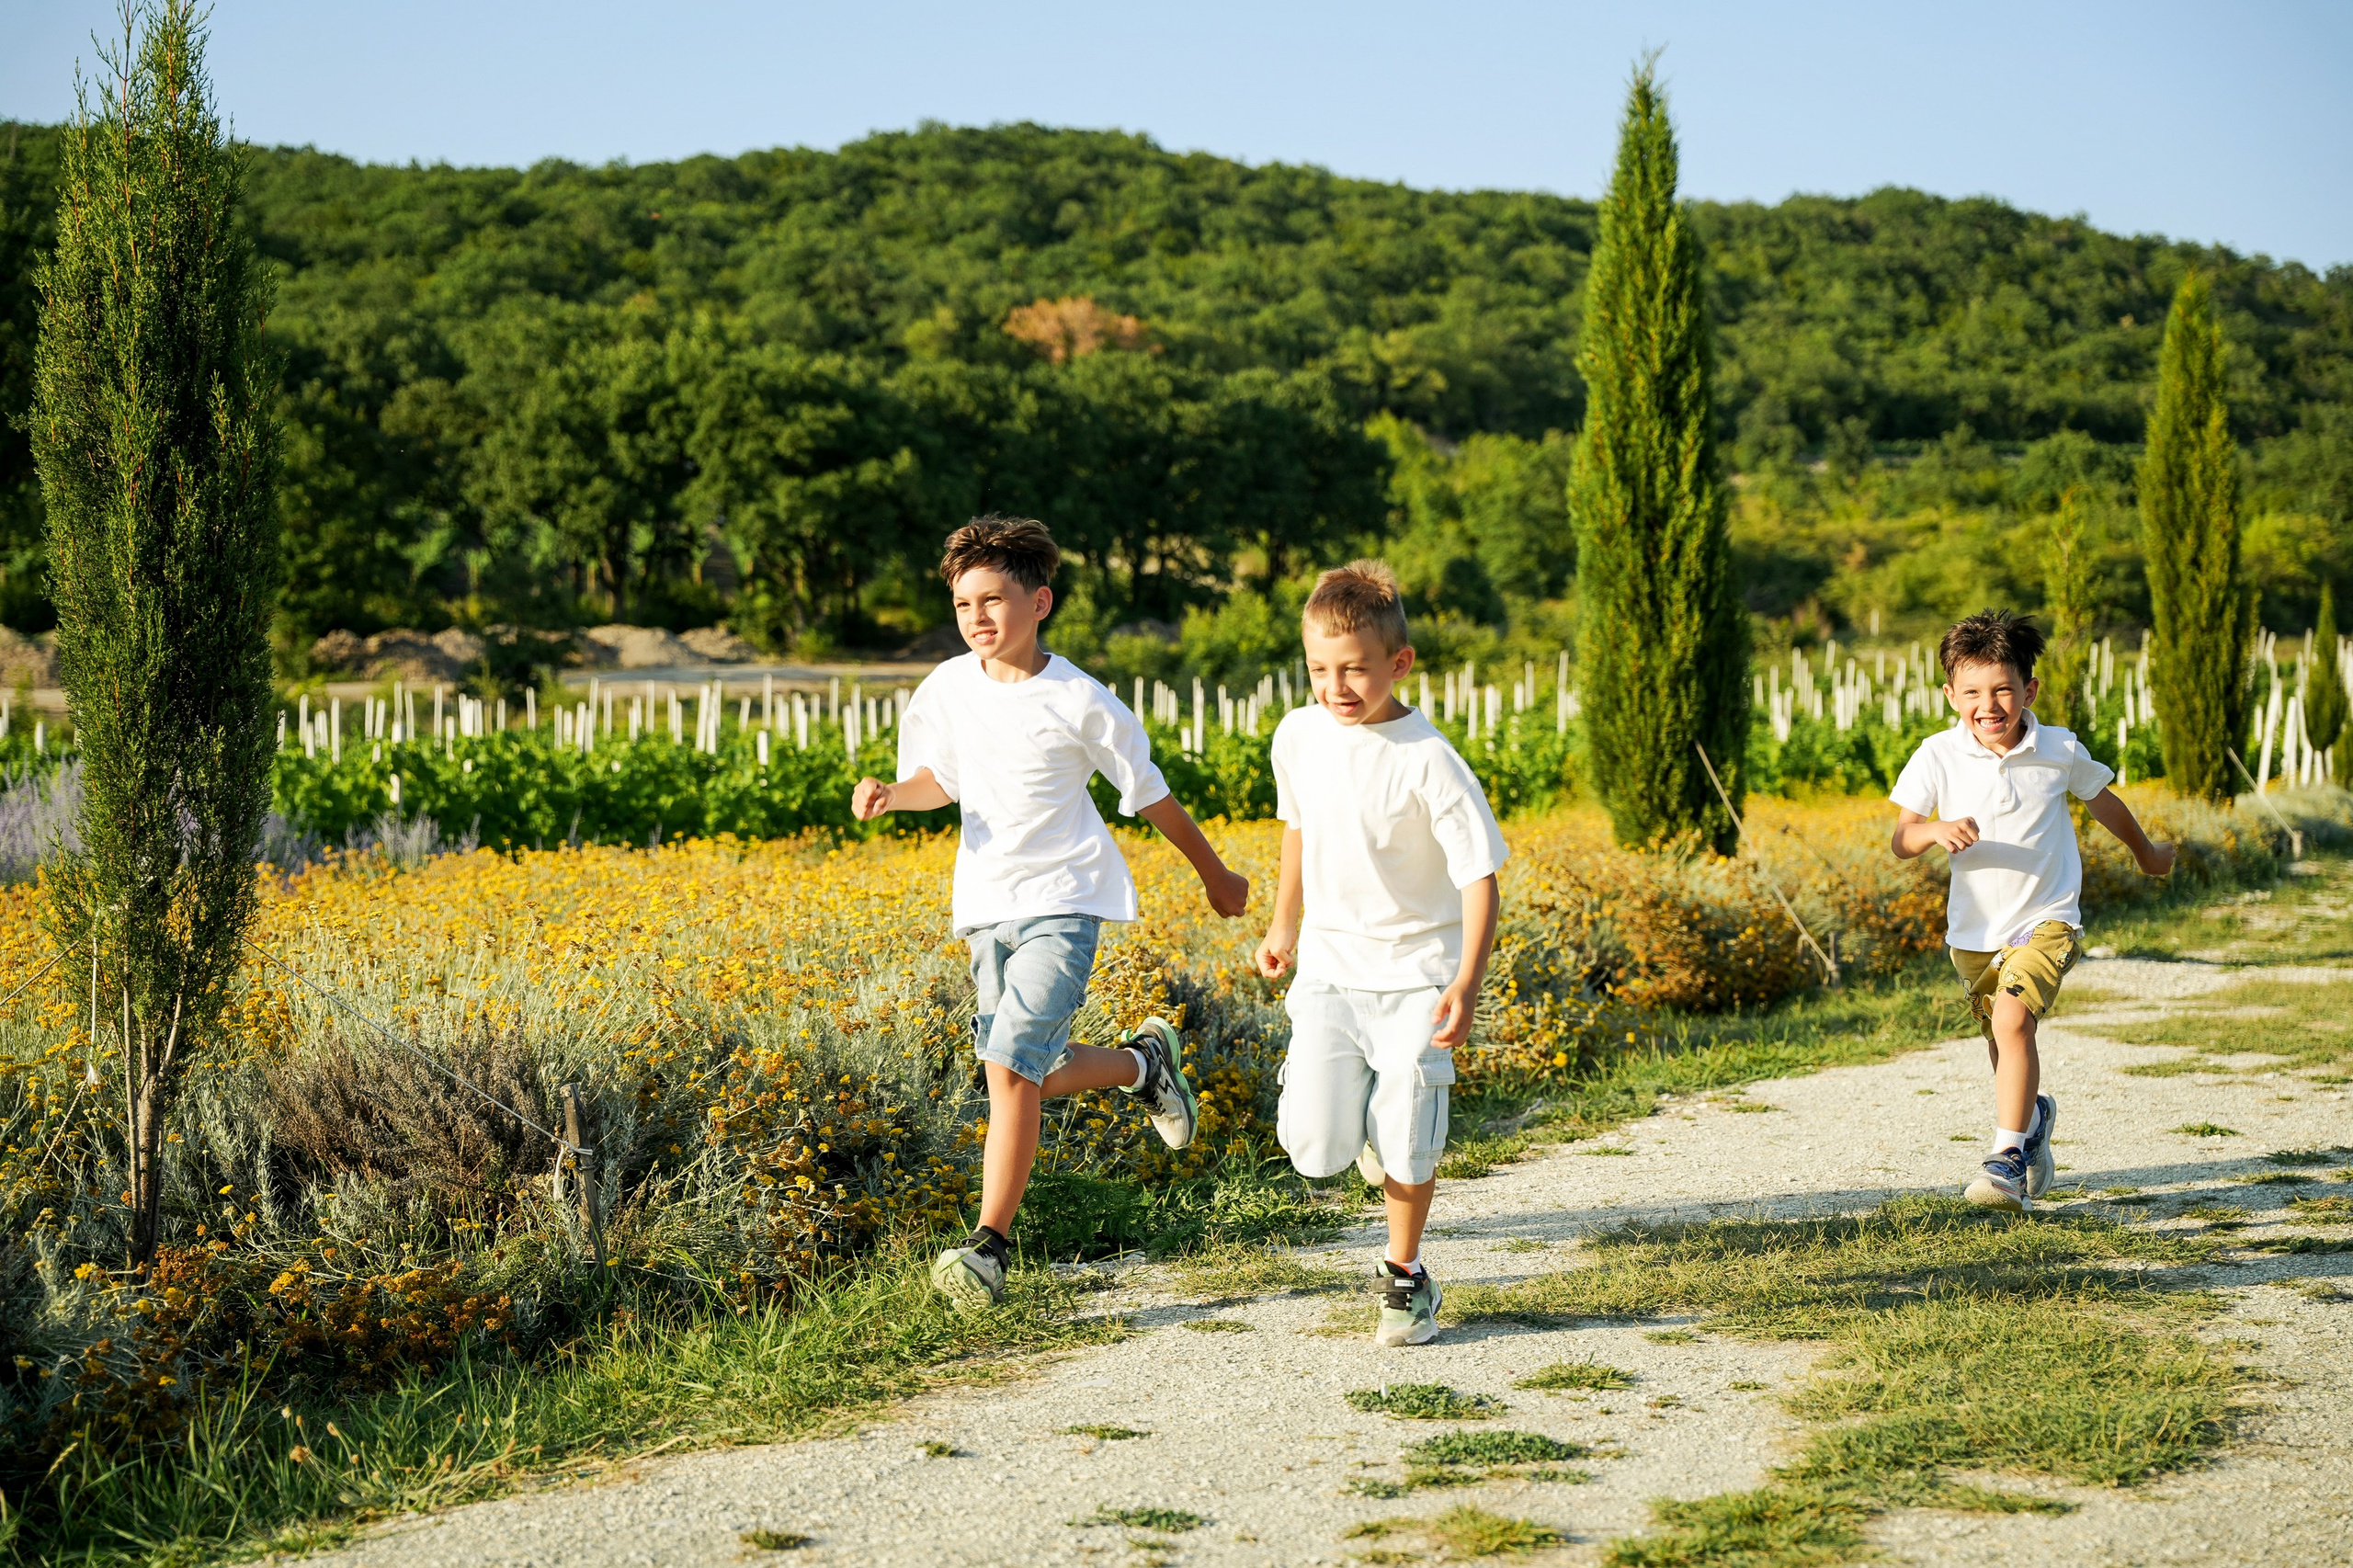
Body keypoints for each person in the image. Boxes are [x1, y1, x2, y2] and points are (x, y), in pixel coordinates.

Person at [853, 515, 1250, 1309]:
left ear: (1041, 602)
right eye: (965, 604)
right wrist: (896, 796)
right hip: (985, 908)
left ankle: (987, 1247)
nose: (978, 619)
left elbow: (1150, 796)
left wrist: (1216, 873)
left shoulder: (1080, 700)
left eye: (994, 601)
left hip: (1065, 901)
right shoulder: (946, 689)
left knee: (1008, 1068)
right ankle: (1145, 1065)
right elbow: (946, 780)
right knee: (1031, 1071)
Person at [1252, 561, 1506, 1346]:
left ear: (1398, 664)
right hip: (1329, 970)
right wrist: (1282, 924)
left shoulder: (1428, 758)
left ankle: (1405, 1279)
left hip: (1416, 979)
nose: (1336, 686)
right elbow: (1299, 831)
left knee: (1408, 1132)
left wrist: (1465, 980)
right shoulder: (1297, 735)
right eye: (1320, 670)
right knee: (1315, 1153)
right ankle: (1360, 1126)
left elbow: (1480, 876)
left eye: (1354, 669)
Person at [1890, 608, 2175, 1212]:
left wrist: (2147, 853)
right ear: (1950, 696)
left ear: (2029, 690)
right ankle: (2032, 1122)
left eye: (2002, 690)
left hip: (2048, 919)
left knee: (2014, 1021)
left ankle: (2006, 1161)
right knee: (2003, 1037)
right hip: (1973, 932)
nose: (1988, 704)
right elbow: (1902, 838)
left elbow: (2103, 802)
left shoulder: (2057, 748)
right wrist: (1935, 830)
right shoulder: (1936, 756)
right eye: (1972, 692)